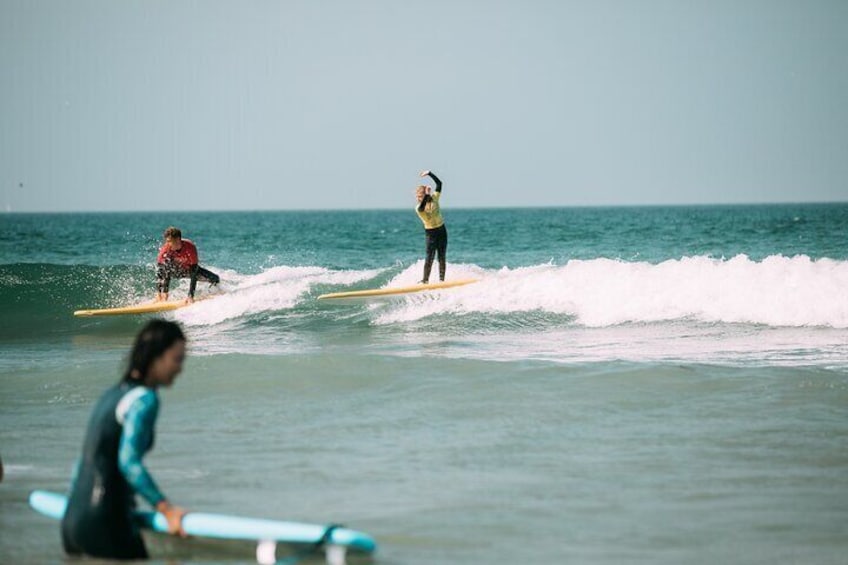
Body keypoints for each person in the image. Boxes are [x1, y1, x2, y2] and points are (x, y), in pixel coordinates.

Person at [62, 320, 188, 560]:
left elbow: (82, 462)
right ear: (156, 357)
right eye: (177, 359)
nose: (180, 368)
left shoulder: (112, 394)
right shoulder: (145, 399)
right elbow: (129, 462)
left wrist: (77, 509)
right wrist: (166, 509)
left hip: (72, 520)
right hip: (105, 518)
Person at [156, 227, 219, 303]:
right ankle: (162, 296)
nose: (168, 244)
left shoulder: (190, 247)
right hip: (176, 271)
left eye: (170, 241)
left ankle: (212, 292)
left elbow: (194, 272)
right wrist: (159, 292)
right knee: (165, 265)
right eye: (167, 241)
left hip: (189, 270)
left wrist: (190, 296)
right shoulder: (166, 248)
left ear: (178, 239)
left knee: (215, 279)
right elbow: (160, 270)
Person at [415, 170, 448, 283]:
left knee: (441, 257)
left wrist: (430, 173)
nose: (419, 199)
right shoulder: (418, 208)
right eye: (418, 197)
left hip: (441, 230)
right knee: (429, 258)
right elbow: (422, 206)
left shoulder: (434, 198)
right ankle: (425, 281)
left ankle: (441, 280)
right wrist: (427, 195)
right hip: (431, 233)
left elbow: (439, 184)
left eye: (421, 196)